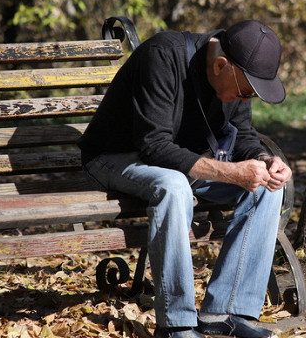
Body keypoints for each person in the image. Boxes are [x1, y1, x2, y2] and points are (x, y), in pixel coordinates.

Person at [77, 20, 293, 338]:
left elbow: (245, 136)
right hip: (114, 158)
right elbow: (155, 148)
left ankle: (225, 312)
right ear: (221, 64)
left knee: (267, 188)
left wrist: (264, 161)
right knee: (175, 186)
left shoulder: (232, 81)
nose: (247, 100)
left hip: (178, 164)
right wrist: (232, 173)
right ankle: (176, 325)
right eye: (246, 91)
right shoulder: (162, 56)